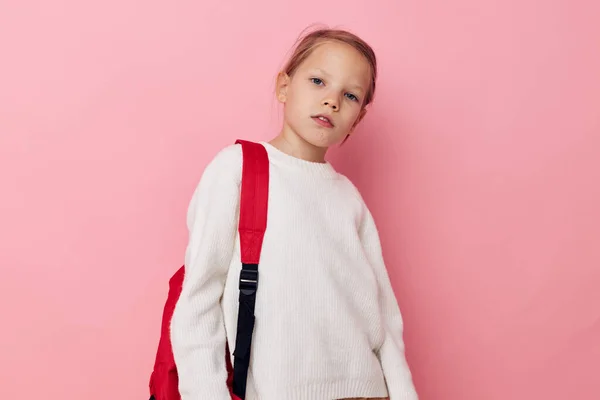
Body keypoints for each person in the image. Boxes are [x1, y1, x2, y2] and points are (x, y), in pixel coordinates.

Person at [170, 27, 419, 400]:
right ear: (284, 86)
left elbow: (383, 318)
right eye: (318, 81)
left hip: (367, 391)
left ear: (358, 119)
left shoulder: (348, 199)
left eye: (349, 95)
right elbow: (199, 302)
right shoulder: (237, 169)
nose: (331, 100)